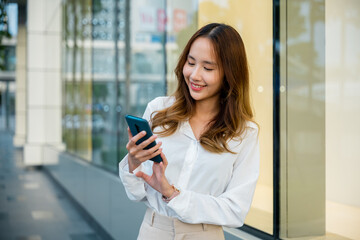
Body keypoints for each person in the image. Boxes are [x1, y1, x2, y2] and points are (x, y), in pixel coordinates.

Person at [119, 23, 260, 240]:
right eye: (191, 62)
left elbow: (235, 210)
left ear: (229, 74)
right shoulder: (158, 111)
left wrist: (171, 193)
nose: (194, 75)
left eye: (208, 68)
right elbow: (136, 192)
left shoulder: (244, 132)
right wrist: (133, 163)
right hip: (154, 230)